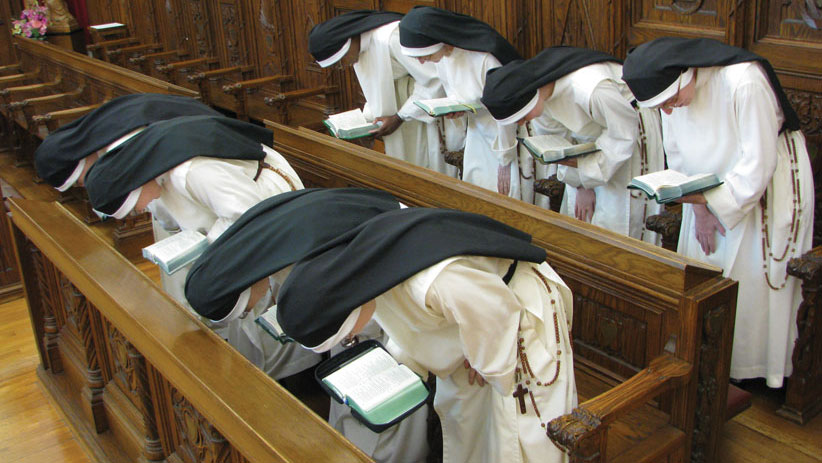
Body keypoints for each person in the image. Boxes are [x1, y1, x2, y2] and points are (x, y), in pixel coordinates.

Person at [275, 207, 577, 463]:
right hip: (476, 314)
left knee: (517, 431)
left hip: (516, 312)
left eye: (348, 332)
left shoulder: (435, 282)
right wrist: (472, 344)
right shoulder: (364, 273)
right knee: (466, 419)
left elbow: (495, 310)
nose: (352, 337)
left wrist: (488, 360)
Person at [622, 37, 815, 387]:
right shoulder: (671, 99)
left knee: (751, 276)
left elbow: (759, 163)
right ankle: (713, 359)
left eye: (671, 101)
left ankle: (754, 370)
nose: (668, 111)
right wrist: (699, 208)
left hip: (765, 189)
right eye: (661, 107)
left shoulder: (744, 80)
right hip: (708, 193)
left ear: (684, 75)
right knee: (707, 265)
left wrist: (716, 204)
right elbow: (676, 151)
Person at [185, 188, 430, 463]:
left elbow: (370, 294)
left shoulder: (298, 252)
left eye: (244, 310)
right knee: (350, 373)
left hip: (392, 262)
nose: (251, 311)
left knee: (385, 384)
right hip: (360, 279)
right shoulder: (268, 253)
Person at [84, 114, 319, 380]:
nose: (139, 210)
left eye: (135, 205)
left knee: (263, 286)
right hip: (236, 211)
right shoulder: (154, 170)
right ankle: (252, 363)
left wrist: (209, 246)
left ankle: (291, 369)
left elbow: (249, 213)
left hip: (269, 202)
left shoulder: (194, 173)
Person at [481, 47, 664, 243]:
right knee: (582, 218)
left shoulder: (591, 88)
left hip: (626, 137)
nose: (522, 124)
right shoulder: (540, 99)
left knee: (616, 219)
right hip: (590, 146)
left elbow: (623, 134)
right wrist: (580, 185)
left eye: (522, 117)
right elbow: (556, 146)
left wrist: (587, 175)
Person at [398, 7, 530, 200]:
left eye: (423, 56)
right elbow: (462, 97)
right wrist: (457, 110)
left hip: (505, 135)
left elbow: (506, 109)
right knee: (476, 192)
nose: (422, 62)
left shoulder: (485, 57)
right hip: (477, 132)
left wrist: (505, 159)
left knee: (504, 193)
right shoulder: (442, 57)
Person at [309, 10, 459, 177]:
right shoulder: (358, 49)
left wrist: (400, 117)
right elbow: (376, 89)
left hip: (425, 116)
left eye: (340, 62)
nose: (343, 67)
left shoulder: (391, 37)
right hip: (402, 114)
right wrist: (367, 124)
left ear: (347, 44)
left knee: (430, 172)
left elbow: (434, 81)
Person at [34, 93, 221, 191]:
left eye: (78, 182)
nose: (84, 185)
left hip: (210, 140)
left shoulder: (124, 142)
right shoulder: (100, 131)